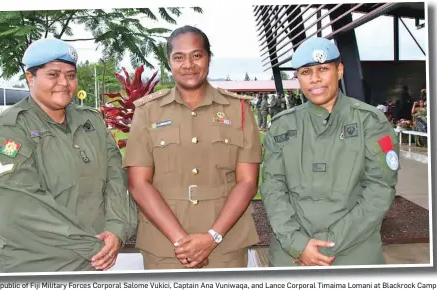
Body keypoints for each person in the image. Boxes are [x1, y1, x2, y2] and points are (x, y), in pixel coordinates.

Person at [0, 38, 138, 272]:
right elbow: (21, 203)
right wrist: (93, 246)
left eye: (71, 75)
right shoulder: (10, 128)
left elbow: (116, 178)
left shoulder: (90, 121)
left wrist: (117, 229)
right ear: (30, 78)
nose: (64, 83)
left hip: (94, 262)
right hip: (39, 266)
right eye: (53, 74)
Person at [123, 25, 262, 270]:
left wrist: (212, 237)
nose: (188, 64)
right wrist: (180, 241)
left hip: (225, 244)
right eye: (179, 57)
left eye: (197, 55)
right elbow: (138, 183)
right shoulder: (147, 111)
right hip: (165, 246)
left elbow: (248, 182)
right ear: (169, 62)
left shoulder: (238, 109)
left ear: (209, 58)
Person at [260, 37, 399, 267]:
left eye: (323, 69)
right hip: (292, 254)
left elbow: (380, 189)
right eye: (306, 72)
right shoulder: (282, 125)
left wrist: (329, 242)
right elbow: (273, 188)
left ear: (340, 70)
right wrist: (298, 243)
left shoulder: (371, 122)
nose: (315, 78)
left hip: (353, 252)